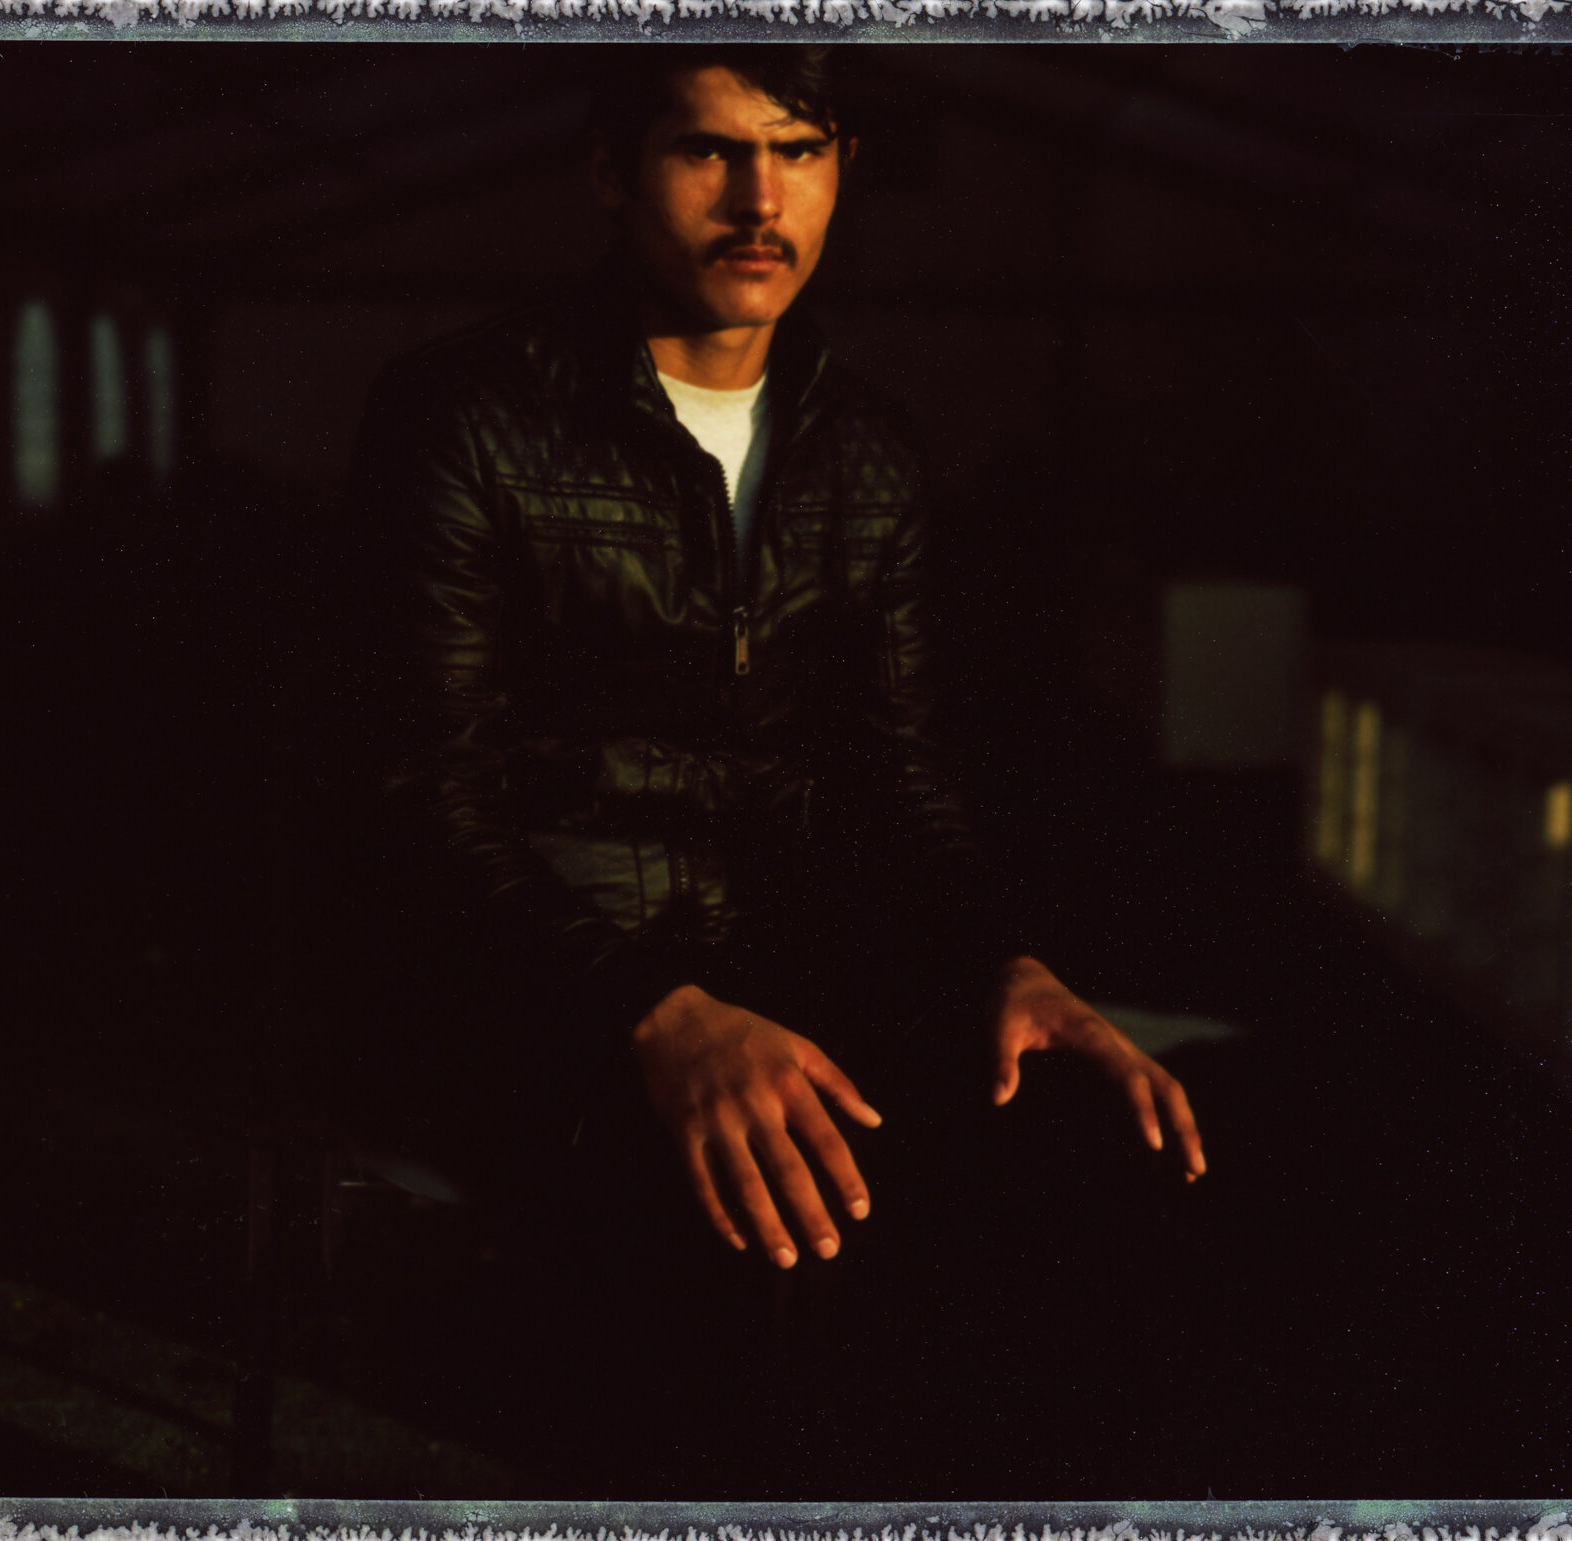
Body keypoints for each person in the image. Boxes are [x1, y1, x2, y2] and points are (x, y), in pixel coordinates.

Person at [340, 44, 1207, 1493]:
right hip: (530, 991)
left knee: (1093, 1154)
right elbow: (418, 800)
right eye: (708, 152)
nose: (760, 199)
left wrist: (1005, 960)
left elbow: (903, 774)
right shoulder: (465, 415)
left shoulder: (867, 453)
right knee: (765, 1243)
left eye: (798, 152)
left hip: (786, 971)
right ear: (614, 175)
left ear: (843, 171)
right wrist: (649, 1010)